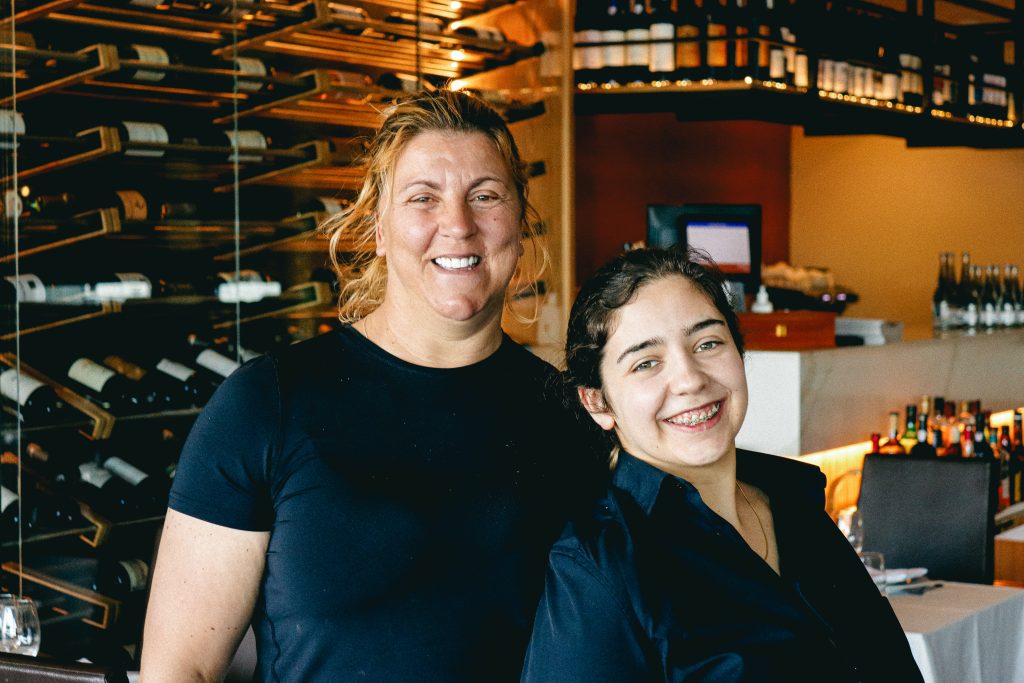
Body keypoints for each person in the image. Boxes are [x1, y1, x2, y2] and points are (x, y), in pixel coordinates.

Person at [140, 89, 601, 682]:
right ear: (379, 228)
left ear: (518, 222)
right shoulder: (268, 404)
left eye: (484, 196)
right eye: (423, 199)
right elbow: (180, 670)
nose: (457, 225)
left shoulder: (570, 416)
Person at [521, 246, 924, 682]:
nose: (691, 379)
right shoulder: (600, 569)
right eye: (646, 362)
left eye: (708, 343)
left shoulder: (793, 502)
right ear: (597, 401)